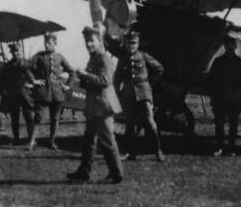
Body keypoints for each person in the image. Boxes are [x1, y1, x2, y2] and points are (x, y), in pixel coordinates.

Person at [67, 26, 124, 184]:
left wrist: (86, 75)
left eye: (91, 41)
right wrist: (80, 79)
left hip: (104, 106)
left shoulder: (104, 58)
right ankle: (84, 172)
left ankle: (117, 174)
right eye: (87, 42)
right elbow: (92, 82)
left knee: (107, 140)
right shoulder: (94, 58)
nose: (88, 44)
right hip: (95, 106)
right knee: (89, 140)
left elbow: (105, 81)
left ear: (100, 41)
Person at [113, 31, 166, 162]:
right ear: (125, 44)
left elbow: (159, 68)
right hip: (128, 95)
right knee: (130, 125)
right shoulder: (122, 59)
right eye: (129, 43)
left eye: (134, 43)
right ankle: (131, 153)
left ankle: (158, 151)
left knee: (149, 121)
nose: (131, 46)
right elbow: (116, 79)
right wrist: (118, 95)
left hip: (144, 94)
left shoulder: (144, 56)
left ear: (138, 43)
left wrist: (149, 84)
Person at [29, 33, 75, 150]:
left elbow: (72, 71)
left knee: (55, 118)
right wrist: (34, 80)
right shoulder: (39, 56)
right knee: (38, 117)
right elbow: (27, 68)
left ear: (55, 43)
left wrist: (68, 86)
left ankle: (52, 141)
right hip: (43, 91)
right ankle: (32, 141)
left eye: (49, 43)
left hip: (57, 92)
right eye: (45, 42)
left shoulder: (59, 57)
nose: (46, 44)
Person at [207, 35, 241, 156]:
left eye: (231, 45)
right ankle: (219, 147)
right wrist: (212, 96)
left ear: (235, 47)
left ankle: (231, 148)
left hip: (235, 97)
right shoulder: (218, 62)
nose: (229, 47)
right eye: (227, 45)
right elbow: (211, 80)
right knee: (219, 123)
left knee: (233, 124)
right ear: (224, 46)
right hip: (220, 96)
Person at [0, 43, 36, 145]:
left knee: (29, 117)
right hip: (13, 95)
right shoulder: (7, 66)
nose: (16, 53)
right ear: (11, 52)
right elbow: (0, 81)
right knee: (14, 118)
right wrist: (4, 92)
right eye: (14, 51)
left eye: (18, 51)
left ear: (21, 51)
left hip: (26, 94)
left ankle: (31, 139)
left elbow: (34, 75)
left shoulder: (27, 63)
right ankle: (16, 139)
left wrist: (32, 85)